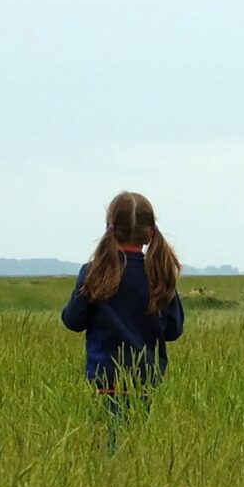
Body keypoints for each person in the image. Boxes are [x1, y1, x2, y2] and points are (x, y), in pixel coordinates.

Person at [62, 191, 184, 449]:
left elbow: (73, 320)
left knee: (105, 446)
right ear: (150, 233)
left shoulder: (94, 272)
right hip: (145, 383)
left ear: (110, 229)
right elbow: (174, 329)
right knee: (134, 446)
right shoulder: (160, 274)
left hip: (103, 381)